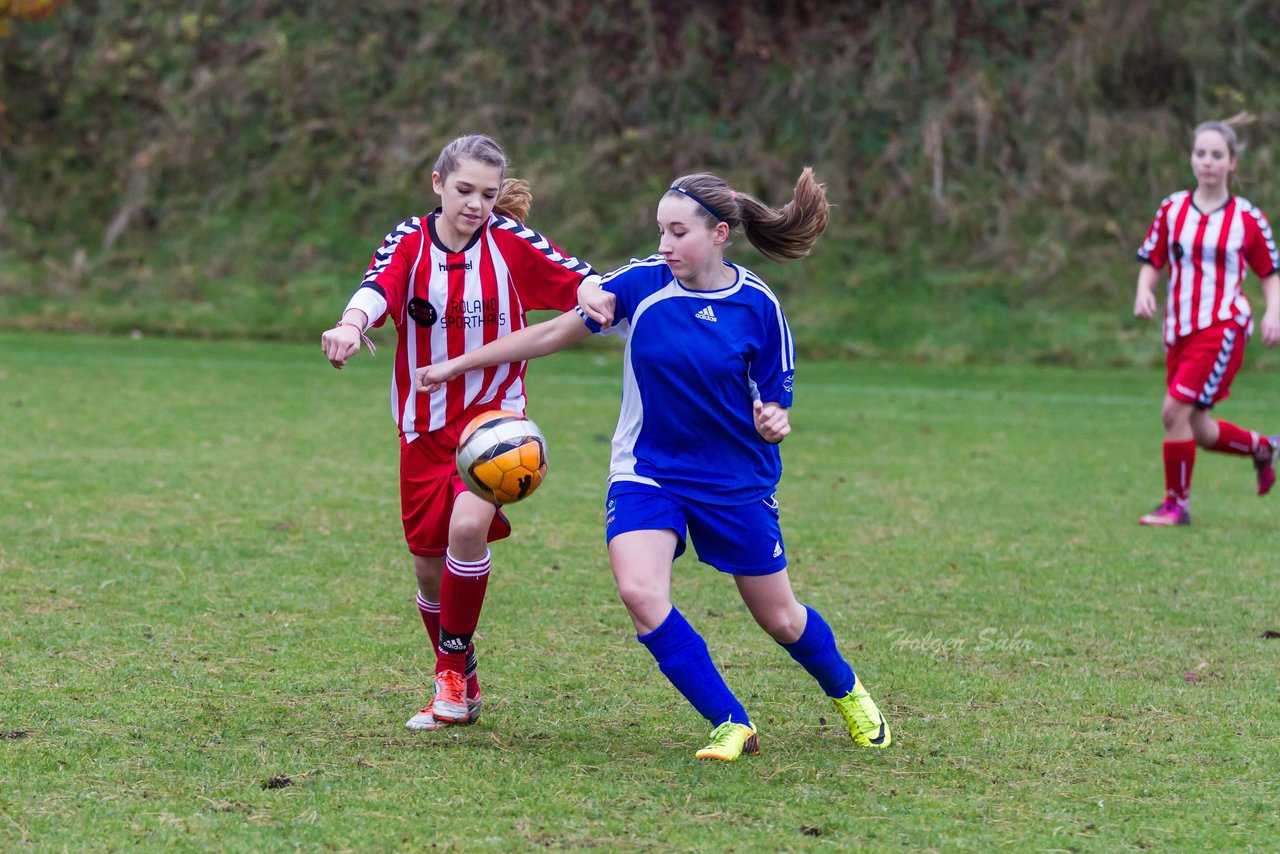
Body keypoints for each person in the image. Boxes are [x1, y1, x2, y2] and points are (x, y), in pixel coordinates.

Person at [416, 169, 891, 761]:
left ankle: (847, 690)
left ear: (719, 233)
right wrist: (458, 364)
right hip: (648, 473)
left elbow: (774, 403)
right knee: (640, 591)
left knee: (782, 618)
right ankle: (730, 722)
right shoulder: (644, 284)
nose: (664, 245)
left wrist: (774, 419)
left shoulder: (759, 307)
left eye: (677, 232)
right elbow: (555, 331)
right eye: (659, 231)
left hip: (734, 482)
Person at [321, 134, 593, 729]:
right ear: (438, 182)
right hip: (422, 427)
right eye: (465, 189)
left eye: (488, 195)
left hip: (495, 418)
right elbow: (377, 286)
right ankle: (461, 671)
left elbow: (581, 281)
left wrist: (612, 298)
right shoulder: (409, 241)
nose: (475, 204)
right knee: (427, 566)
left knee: (467, 527)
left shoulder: (511, 242)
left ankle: (448, 672)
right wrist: (349, 324)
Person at [1133, 119, 1280, 526]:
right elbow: (1152, 259)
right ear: (1192, 159)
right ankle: (1262, 447)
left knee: (1171, 413)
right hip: (1179, 329)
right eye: (1201, 154)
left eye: (1217, 155)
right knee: (1195, 426)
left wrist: (1274, 310)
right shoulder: (1172, 209)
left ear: (1232, 163)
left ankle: (1176, 506)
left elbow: (1270, 272)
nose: (1208, 162)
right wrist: (1144, 289)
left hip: (1222, 327)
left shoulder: (1248, 218)